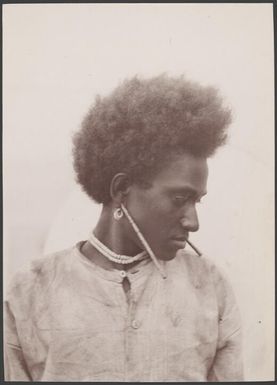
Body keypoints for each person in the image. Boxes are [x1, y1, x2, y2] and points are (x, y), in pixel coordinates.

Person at [4, 74, 244, 381]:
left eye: (197, 201)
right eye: (179, 198)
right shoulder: (29, 291)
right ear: (122, 189)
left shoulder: (211, 288)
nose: (193, 222)